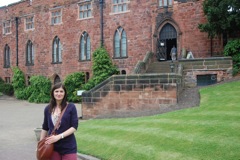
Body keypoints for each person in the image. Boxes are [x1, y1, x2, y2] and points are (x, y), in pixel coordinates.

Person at [39, 83, 79, 160]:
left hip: (68, 146)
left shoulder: (71, 107)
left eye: (61, 91)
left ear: (65, 93)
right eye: (56, 91)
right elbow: (45, 128)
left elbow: (74, 127)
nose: (59, 93)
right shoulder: (48, 109)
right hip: (52, 147)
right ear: (53, 93)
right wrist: (40, 145)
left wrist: (59, 136)